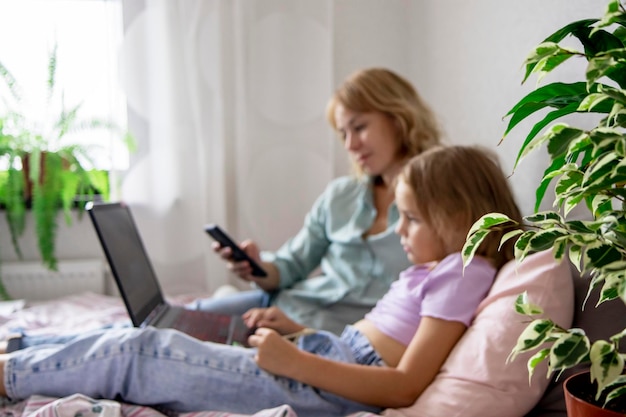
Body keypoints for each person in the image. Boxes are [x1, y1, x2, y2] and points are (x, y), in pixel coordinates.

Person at [0, 145, 524, 417]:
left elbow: (407, 384)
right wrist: (299, 336)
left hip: (332, 381)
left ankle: (10, 373)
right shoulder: (442, 267)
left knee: (142, 350)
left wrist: (297, 362)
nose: (397, 228)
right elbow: (378, 337)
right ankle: (18, 349)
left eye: (410, 218)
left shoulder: (464, 269)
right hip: (329, 354)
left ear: (457, 214)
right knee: (148, 338)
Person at [192, 67, 442, 335]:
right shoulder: (341, 195)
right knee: (176, 320)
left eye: (359, 128)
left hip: (322, 336)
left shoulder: (439, 202)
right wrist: (255, 267)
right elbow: (292, 265)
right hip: (282, 303)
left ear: (399, 119)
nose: (350, 145)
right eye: (343, 133)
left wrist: (302, 333)